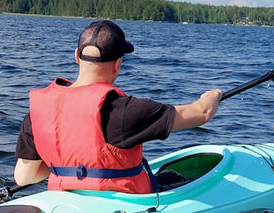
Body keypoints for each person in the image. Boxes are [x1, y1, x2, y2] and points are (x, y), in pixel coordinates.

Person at [14, 19, 222, 193]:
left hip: (65, 201)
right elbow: (202, 113)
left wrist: (66, 168)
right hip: (121, 205)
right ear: (118, 64)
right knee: (176, 178)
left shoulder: (38, 112)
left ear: (77, 56)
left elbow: (24, 177)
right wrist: (213, 95)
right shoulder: (126, 111)